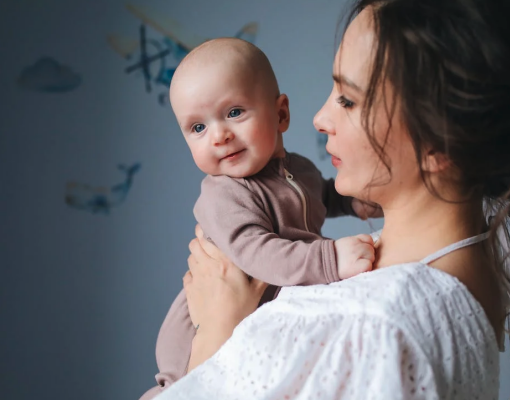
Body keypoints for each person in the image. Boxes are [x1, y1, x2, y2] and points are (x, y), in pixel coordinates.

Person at [149, 0, 510, 398]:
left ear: (438, 140)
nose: (320, 118)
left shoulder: (379, 325)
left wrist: (214, 339)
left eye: (347, 99)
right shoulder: (456, 270)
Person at [138, 38, 382, 400]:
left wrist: (358, 202)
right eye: (197, 128)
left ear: (281, 114)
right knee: (184, 389)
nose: (219, 136)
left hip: (260, 317)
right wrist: (330, 259)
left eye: (234, 112)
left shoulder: (298, 169)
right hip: (198, 330)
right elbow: (257, 254)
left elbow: (321, 197)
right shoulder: (224, 194)